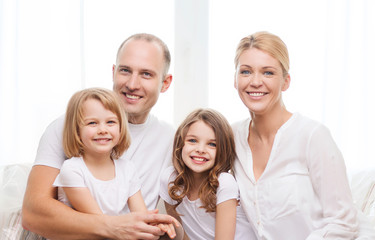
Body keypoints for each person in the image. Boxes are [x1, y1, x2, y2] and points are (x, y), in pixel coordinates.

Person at [22, 33, 178, 240]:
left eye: (146, 74)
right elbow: (32, 214)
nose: (132, 84)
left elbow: (189, 214)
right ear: (114, 72)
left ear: (165, 83)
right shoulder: (68, 125)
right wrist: (114, 227)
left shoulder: (173, 139)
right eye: (125, 70)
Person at [232, 31, 373, 239]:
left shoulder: (312, 136)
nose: (255, 82)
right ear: (235, 80)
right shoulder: (232, 137)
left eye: (268, 73)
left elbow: (343, 224)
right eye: (245, 72)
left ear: (286, 81)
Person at [52, 87, 176, 239]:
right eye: (92, 123)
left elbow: (141, 215)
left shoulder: (127, 168)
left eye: (110, 122)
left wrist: (155, 226)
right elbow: (101, 225)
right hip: (95, 235)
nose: (103, 129)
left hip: (114, 235)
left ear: (121, 127)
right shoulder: (72, 170)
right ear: (77, 131)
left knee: (172, 234)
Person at [159, 108, 256, 240]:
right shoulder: (170, 179)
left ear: (223, 150)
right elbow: (178, 232)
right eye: (192, 141)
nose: (200, 150)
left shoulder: (224, 183)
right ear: (180, 143)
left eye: (212, 144)